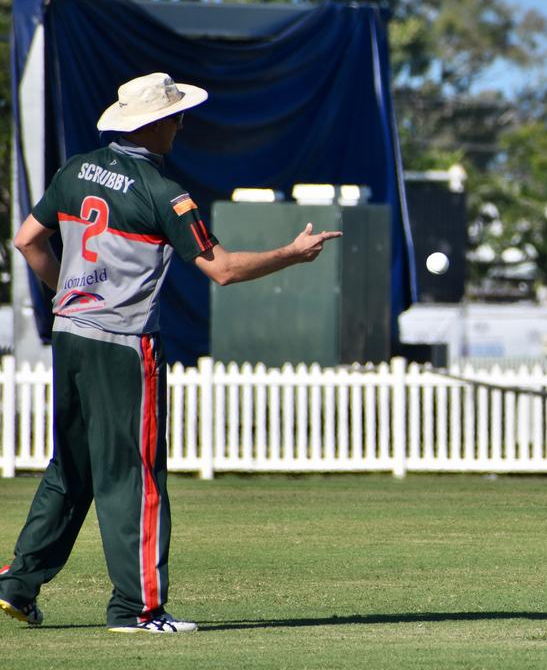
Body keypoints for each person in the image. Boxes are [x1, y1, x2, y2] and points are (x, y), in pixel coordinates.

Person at [0, 72, 341, 633]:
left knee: (73, 468)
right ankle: (137, 610)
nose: (182, 124)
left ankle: (17, 584)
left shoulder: (73, 169)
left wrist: (64, 296)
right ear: (155, 123)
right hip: (122, 344)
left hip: (71, 334)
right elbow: (224, 271)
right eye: (177, 115)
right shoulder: (165, 193)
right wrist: (292, 253)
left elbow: (27, 240)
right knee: (137, 476)